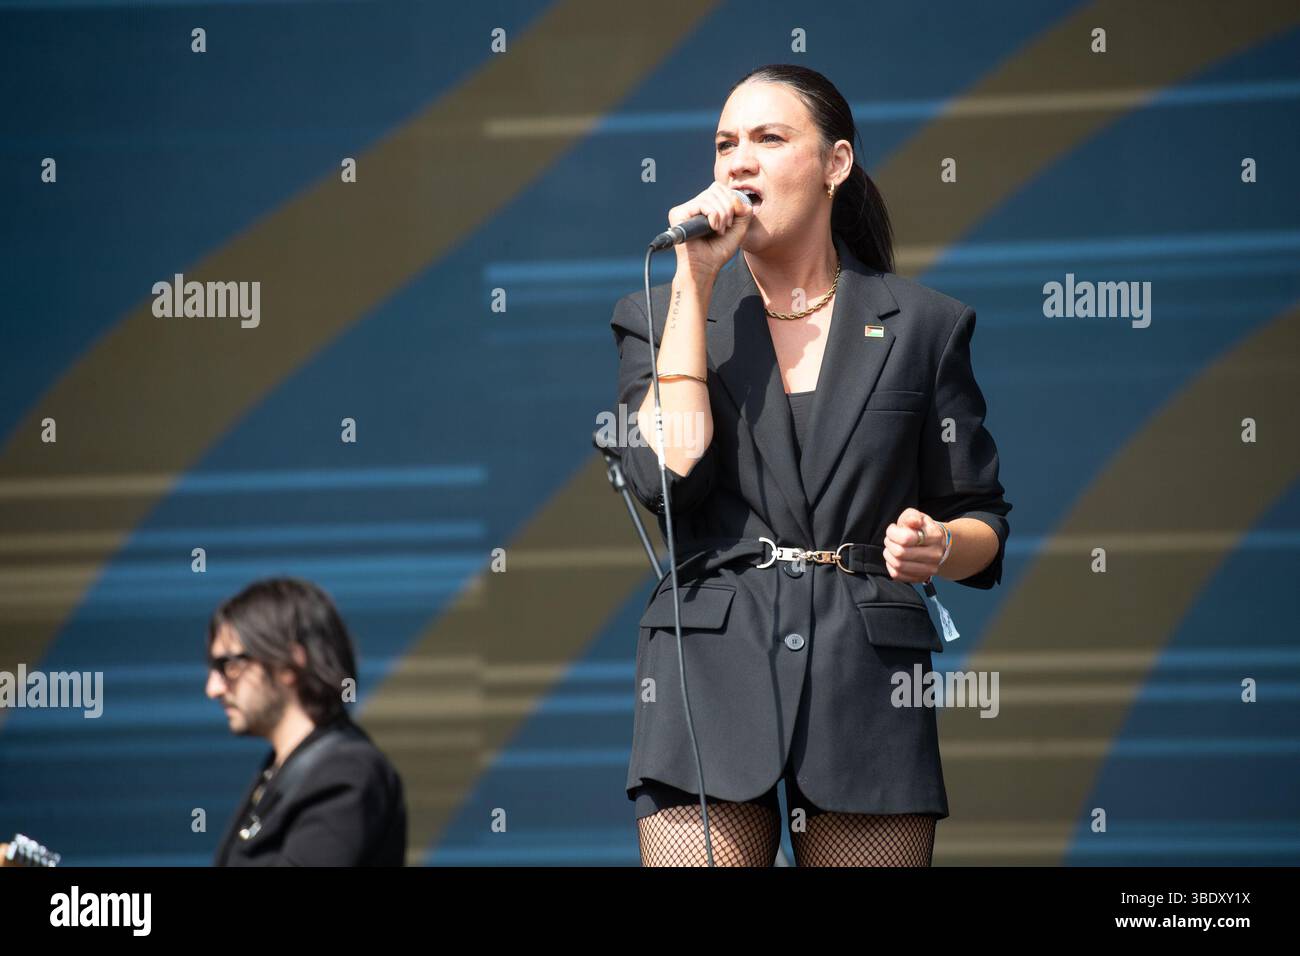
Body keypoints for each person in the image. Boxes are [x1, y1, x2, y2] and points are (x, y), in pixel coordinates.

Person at [609, 64, 1012, 866]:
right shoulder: (657, 314)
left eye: (768, 138)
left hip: (867, 684)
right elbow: (666, 475)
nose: (738, 162)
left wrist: (940, 543)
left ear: (836, 164)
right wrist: (696, 279)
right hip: (708, 675)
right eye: (725, 144)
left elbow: (984, 518)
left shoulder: (924, 326)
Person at [206, 577, 407, 866]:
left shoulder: (346, 773)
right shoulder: (284, 768)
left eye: (230, 666)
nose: (213, 688)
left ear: (289, 664)